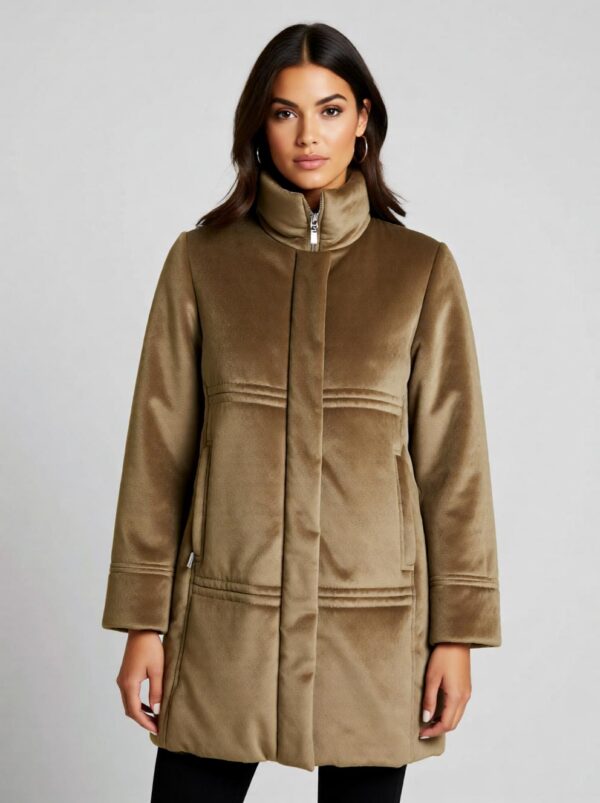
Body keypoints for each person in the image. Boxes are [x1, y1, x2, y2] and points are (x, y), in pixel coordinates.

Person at [101, 21, 502, 803]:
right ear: (259, 124)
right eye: (285, 112)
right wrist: (143, 622)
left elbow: (455, 466)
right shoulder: (202, 261)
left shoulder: (419, 270)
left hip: (374, 630)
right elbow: (159, 452)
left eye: (329, 110)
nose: (308, 135)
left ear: (363, 120)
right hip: (226, 621)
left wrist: (456, 633)